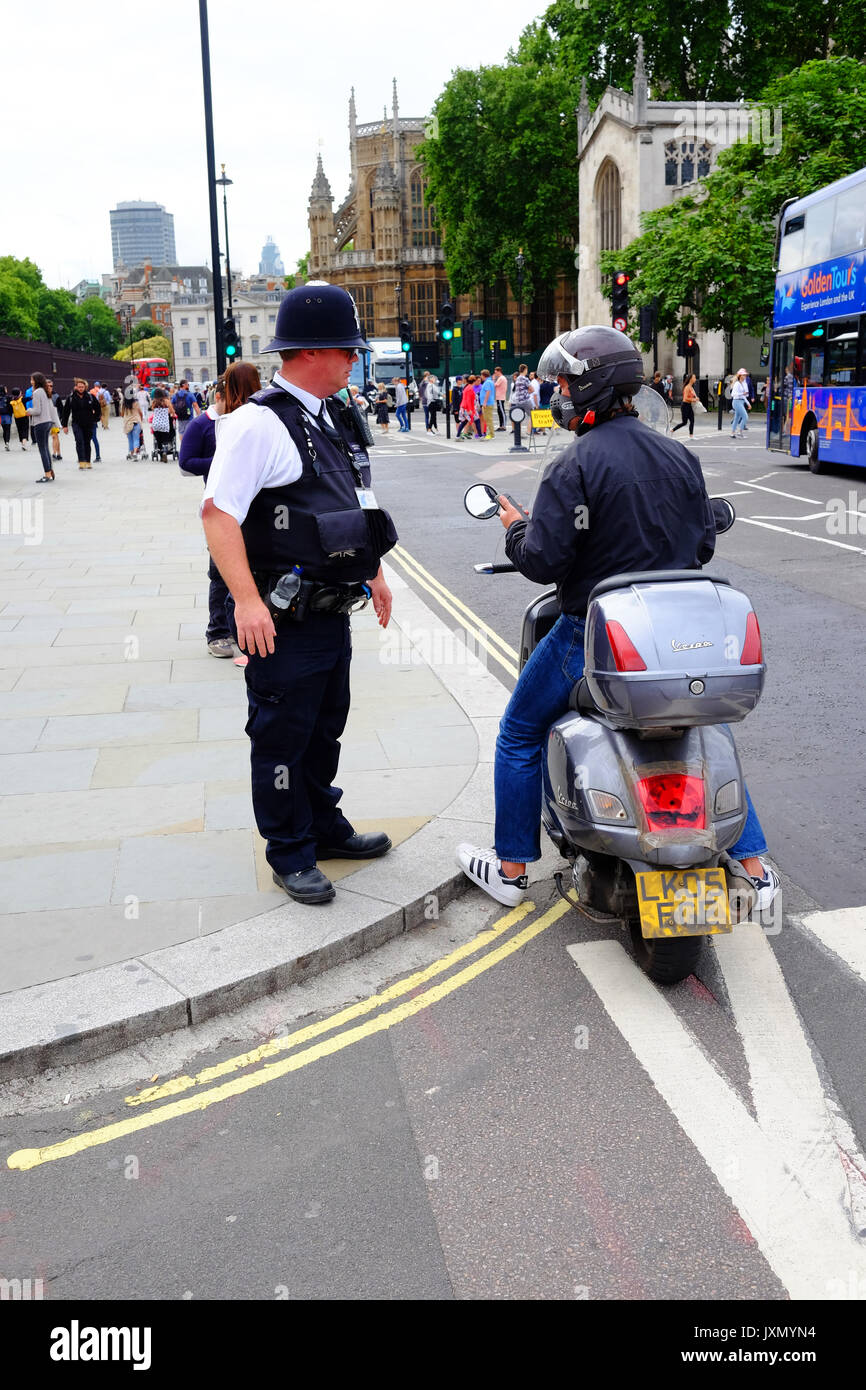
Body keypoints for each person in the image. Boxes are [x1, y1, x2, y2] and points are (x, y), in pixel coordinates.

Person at [456, 325, 780, 913]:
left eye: (562, 383)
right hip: (676, 635)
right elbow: (702, 544)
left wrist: (515, 528)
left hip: (593, 633)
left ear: (591, 388)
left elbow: (544, 560)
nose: (556, 393)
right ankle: (755, 870)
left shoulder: (573, 466)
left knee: (519, 732)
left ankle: (509, 869)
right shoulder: (680, 456)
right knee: (702, 726)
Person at [200, 283, 397, 906]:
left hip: (331, 614)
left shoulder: (332, 415)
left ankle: (324, 828)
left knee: (323, 730)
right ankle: (289, 849)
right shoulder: (257, 423)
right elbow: (216, 515)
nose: (354, 361)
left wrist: (375, 571)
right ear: (314, 352)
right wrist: (246, 603)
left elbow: (353, 502)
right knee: (282, 736)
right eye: (348, 350)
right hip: (281, 617)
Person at [178, 374, 237, 659]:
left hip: (250, 507)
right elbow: (185, 464)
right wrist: (221, 461)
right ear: (218, 397)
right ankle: (218, 632)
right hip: (218, 509)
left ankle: (242, 628)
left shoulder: (244, 421)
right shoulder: (202, 425)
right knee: (221, 573)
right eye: (232, 400)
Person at [61, 377, 101, 468]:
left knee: (87, 442)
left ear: (85, 387)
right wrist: (65, 425)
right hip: (76, 423)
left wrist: (95, 419)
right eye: (79, 387)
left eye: (82, 387)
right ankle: (81, 461)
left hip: (88, 423)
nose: (80, 389)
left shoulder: (90, 396)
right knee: (79, 441)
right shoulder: (71, 398)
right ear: (76, 387)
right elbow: (66, 412)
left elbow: (98, 408)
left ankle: (87, 461)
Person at [27, 373, 55, 481]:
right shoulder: (44, 391)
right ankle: (50, 470)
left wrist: (28, 411)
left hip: (40, 423)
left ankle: (47, 474)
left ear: (35, 380)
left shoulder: (37, 392)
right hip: (47, 421)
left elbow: (37, 410)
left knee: (42, 449)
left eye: (32, 379)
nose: (31, 381)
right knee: (45, 448)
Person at [150, 388, 176, 460]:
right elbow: (171, 411)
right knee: (165, 438)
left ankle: (160, 452)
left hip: (156, 424)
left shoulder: (154, 402)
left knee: (158, 439)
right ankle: (164, 451)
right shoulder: (166, 401)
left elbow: (152, 409)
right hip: (164, 423)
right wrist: (172, 413)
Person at [45, 378, 63, 462]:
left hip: (54, 419)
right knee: (56, 437)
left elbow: (61, 408)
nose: (49, 387)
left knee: (54, 436)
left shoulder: (56, 396)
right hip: (45, 419)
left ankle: (54, 453)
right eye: (47, 386)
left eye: (51, 386)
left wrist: (60, 420)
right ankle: (59, 453)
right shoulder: (43, 395)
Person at [122, 392, 144, 458]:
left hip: (128, 423)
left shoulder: (124, 404)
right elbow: (140, 413)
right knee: (136, 438)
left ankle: (131, 453)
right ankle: (135, 453)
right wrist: (141, 419)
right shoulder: (136, 403)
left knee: (130, 439)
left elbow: (122, 414)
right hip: (136, 422)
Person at [731, 367, 751, 438]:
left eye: (745, 375)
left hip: (740, 402)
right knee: (745, 416)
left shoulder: (742, 383)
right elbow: (733, 394)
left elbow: (744, 395)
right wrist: (742, 394)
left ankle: (732, 433)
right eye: (743, 375)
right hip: (737, 402)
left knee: (737, 418)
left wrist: (748, 403)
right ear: (740, 376)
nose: (745, 376)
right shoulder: (737, 384)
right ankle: (740, 431)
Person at [478, 368, 496, 439]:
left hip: (487, 404)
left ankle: (491, 434)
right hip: (488, 403)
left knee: (488, 419)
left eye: (481, 375)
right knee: (488, 419)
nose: (481, 377)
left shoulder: (487, 382)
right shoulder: (489, 381)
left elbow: (488, 392)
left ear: (483, 375)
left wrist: (484, 402)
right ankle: (490, 433)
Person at [493, 365, 508, 429]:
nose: (495, 374)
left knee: (501, 411)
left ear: (499, 371)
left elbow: (495, 385)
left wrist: (493, 379)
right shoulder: (501, 378)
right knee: (500, 411)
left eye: (496, 372)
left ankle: (503, 425)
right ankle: (501, 425)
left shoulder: (501, 378)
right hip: (499, 397)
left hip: (500, 397)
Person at [0, 385, 12, 451]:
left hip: (0, 416)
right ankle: (7, 442)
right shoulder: (8, 397)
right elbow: (10, 406)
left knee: (4, 430)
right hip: (7, 415)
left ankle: (5, 443)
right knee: (8, 429)